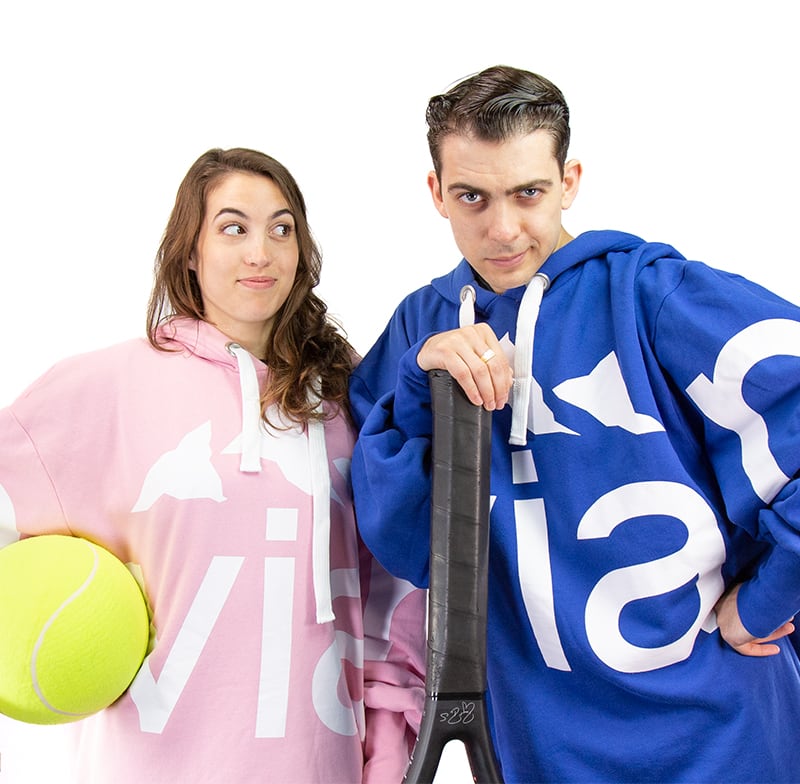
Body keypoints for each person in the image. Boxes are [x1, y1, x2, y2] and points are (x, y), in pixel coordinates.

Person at [349, 66, 800, 783]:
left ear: (570, 180)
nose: (502, 229)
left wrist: (771, 597)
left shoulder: (654, 295)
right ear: (435, 193)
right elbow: (405, 547)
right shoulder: (421, 325)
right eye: (473, 197)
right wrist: (418, 386)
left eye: (527, 192)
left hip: (721, 740)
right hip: (539, 753)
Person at [0, 148, 425, 783]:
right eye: (234, 227)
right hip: (146, 764)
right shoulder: (112, 386)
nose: (262, 252)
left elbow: (392, 590)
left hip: (319, 765)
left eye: (282, 229)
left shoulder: (347, 403)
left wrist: (390, 750)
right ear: (190, 251)